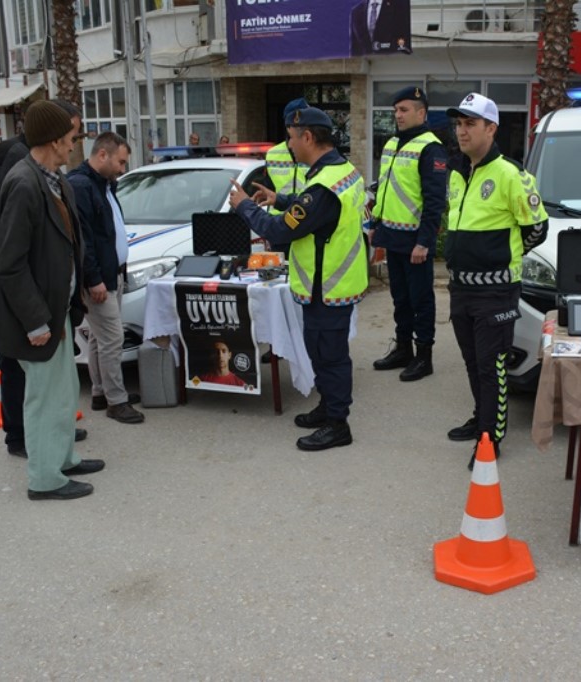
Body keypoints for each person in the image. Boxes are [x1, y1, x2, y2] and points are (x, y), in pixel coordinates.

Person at [0, 100, 104, 500]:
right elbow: (8, 264)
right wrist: (34, 321)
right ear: (52, 140)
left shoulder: (53, 179)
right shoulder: (24, 183)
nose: (73, 146)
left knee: (62, 392)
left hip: (56, 310)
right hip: (37, 318)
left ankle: (63, 458)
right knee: (44, 398)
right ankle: (45, 480)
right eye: (70, 138)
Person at [227, 106, 368, 452]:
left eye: (291, 138)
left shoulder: (322, 185)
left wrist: (245, 206)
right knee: (322, 354)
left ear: (307, 137)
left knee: (330, 357)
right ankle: (327, 408)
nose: (289, 146)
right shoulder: (341, 170)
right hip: (333, 284)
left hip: (328, 286)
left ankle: (338, 424)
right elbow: (315, 210)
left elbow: (280, 229)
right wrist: (282, 199)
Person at [443, 93, 549, 470]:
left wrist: (503, 259)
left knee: (492, 366)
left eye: (470, 124)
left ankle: (490, 436)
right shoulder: (457, 172)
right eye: (459, 124)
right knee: (472, 363)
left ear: (491, 128)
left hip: (496, 290)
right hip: (460, 287)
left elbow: (537, 228)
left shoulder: (510, 174)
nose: (462, 131)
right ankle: (481, 416)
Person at [67, 132, 145, 425]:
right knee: (112, 338)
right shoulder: (82, 186)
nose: (123, 169)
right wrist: (93, 278)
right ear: (103, 155)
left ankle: (102, 392)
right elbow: (83, 239)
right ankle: (117, 401)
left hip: (114, 274)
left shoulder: (103, 184)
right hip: (99, 280)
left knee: (102, 339)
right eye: (121, 162)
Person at [370, 86, 447, 382]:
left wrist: (425, 241)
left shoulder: (431, 148)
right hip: (392, 236)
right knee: (400, 298)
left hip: (415, 241)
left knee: (421, 300)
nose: (398, 115)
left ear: (421, 112)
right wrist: (376, 224)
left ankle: (423, 356)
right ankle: (403, 349)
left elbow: (434, 201)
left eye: (404, 110)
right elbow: (385, 188)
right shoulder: (392, 143)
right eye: (396, 110)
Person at [262, 97, 310, 217]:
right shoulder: (272, 154)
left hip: (306, 218)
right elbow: (268, 188)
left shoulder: (314, 153)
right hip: (279, 221)